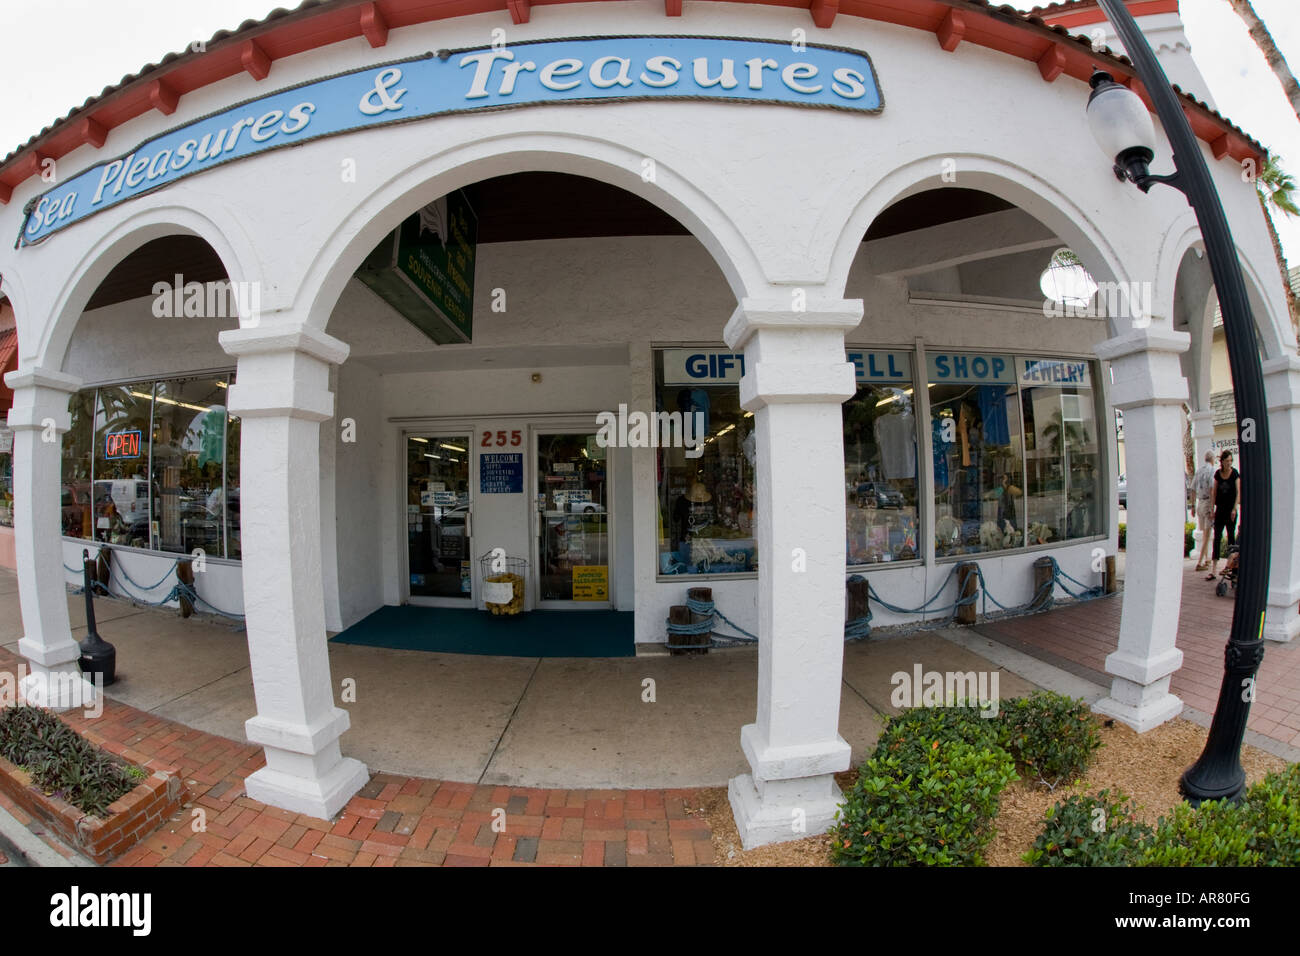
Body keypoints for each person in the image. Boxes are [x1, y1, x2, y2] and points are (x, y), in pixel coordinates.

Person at [1206, 449, 1241, 580]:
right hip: (1220, 510)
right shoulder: (1217, 474)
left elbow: (1238, 492)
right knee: (1217, 538)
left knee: (1231, 538)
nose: (1229, 463)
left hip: (1230, 511)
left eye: (1231, 461)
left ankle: (1230, 568)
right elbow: (1214, 493)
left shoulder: (1235, 474)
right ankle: (1214, 570)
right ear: (1222, 462)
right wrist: (1212, 509)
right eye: (1227, 461)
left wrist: (1234, 509)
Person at [1191, 450, 1217, 571]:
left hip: (1199, 503)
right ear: (1212, 459)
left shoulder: (1199, 470)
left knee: (1205, 533)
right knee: (1207, 535)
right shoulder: (1212, 470)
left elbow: (1192, 488)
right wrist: (1212, 507)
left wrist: (1192, 505)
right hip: (1207, 503)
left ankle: (1206, 560)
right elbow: (1212, 489)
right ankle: (1200, 562)